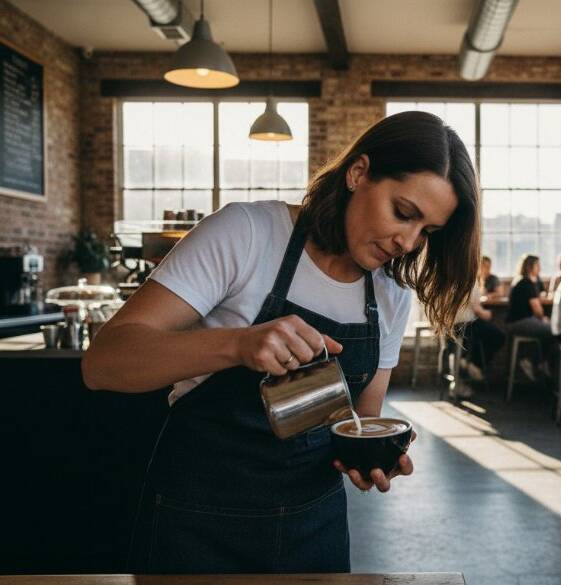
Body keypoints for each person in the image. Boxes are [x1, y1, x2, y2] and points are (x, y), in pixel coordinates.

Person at [82, 111, 481, 574]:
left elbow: (362, 416)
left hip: (313, 528)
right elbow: (104, 362)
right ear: (358, 173)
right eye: (404, 213)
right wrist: (238, 345)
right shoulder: (247, 235)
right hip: (196, 520)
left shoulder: (390, 295)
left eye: (427, 232)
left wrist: (370, 457)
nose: (408, 242)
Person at [451, 283, 505, 397]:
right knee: (499, 336)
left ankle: (464, 364)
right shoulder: (470, 282)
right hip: (466, 325)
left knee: (476, 335)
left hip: (450, 327)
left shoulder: (448, 280)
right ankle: (475, 364)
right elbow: (479, 311)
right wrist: (489, 313)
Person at [506, 254, 551, 381]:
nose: (540, 268)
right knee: (553, 331)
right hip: (519, 322)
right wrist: (543, 319)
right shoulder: (526, 282)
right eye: (537, 265)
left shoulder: (528, 280)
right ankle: (536, 362)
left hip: (518, 320)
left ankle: (539, 362)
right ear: (530, 266)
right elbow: (537, 310)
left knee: (548, 329)